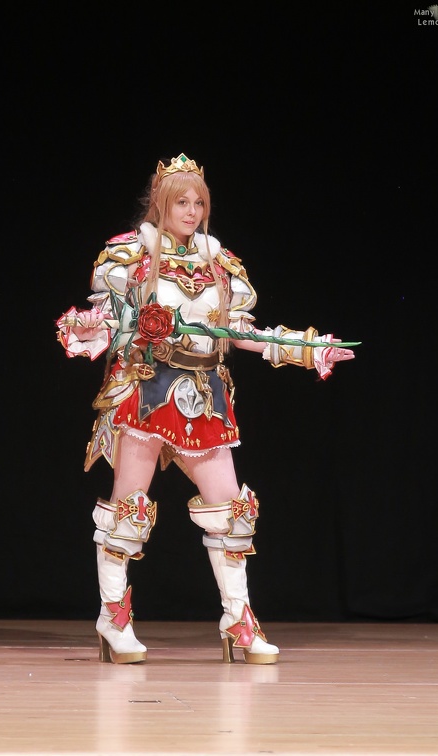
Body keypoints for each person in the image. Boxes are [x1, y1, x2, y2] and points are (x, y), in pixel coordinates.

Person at [56, 152, 356, 666]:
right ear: (160, 204)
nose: (191, 211)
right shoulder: (130, 257)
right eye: (181, 202)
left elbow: (239, 332)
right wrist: (88, 329)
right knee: (129, 512)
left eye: (199, 203)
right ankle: (113, 618)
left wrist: (307, 350)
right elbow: (107, 319)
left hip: (204, 394)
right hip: (146, 390)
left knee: (233, 513)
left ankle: (238, 621)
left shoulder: (221, 264)